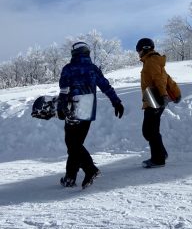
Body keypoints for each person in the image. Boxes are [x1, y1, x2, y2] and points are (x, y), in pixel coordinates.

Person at [57, 41, 124, 188]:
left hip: (73, 108)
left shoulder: (68, 68)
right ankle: (70, 177)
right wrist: (116, 102)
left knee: (72, 143)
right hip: (88, 108)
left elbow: (63, 91)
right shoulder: (93, 69)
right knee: (76, 144)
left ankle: (90, 169)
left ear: (74, 53)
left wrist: (60, 108)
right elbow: (106, 86)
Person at [135, 37, 181, 168]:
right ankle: (160, 154)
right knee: (150, 130)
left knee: (149, 131)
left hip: (155, 100)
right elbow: (167, 78)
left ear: (144, 49)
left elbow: (159, 80)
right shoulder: (153, 61)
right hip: (153, 99)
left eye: (138, 51)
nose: (138, 54)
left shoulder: (151, 61)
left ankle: (158, 159)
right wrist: (175, 92)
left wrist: (163, 96)